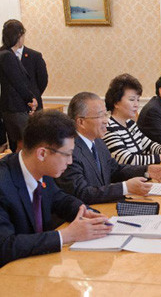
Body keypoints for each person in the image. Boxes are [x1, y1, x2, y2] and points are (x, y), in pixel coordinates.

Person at [0, 110, 112, 267]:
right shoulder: (3, 183)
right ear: (42, 153)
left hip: (39, 267)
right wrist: (65, 236)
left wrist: (85, 212)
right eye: (67, 154)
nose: (70, 161)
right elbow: (5, 246)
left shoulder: (41, 170)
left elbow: (60, 199)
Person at [56, 92, 161, 205]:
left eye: (106, 114)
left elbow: (114, 170)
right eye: (100, 116)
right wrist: (125, 188)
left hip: (105, 208)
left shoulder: (98, 141)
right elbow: (82, 193)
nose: (106, 120)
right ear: (81, 122)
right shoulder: (69, 150)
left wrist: (146, 170)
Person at [102, 73, 161, 165]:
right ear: (116, 102)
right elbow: (127, 159)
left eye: (138, 100)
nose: (136, 105)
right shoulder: (108, 128)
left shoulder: (130, 124)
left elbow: (148, 145)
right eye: (132, 100)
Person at [0, 19, 37, 152]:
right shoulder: (7, 56)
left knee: (20, 145)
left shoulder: (4, 53)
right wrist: (30, 100)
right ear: (18, 36)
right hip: (15, 108)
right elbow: (18, 82)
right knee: (28, 144)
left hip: (10, 108)